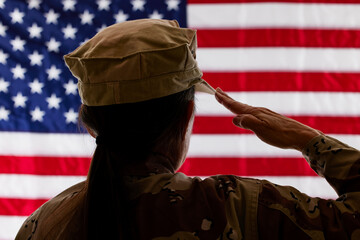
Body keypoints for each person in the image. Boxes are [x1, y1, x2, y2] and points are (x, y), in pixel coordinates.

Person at [15, 19, 360, 240]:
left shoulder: (40, 226)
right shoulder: (240, 208)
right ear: (185, 117)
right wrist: (308, 140)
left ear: (92, 127)